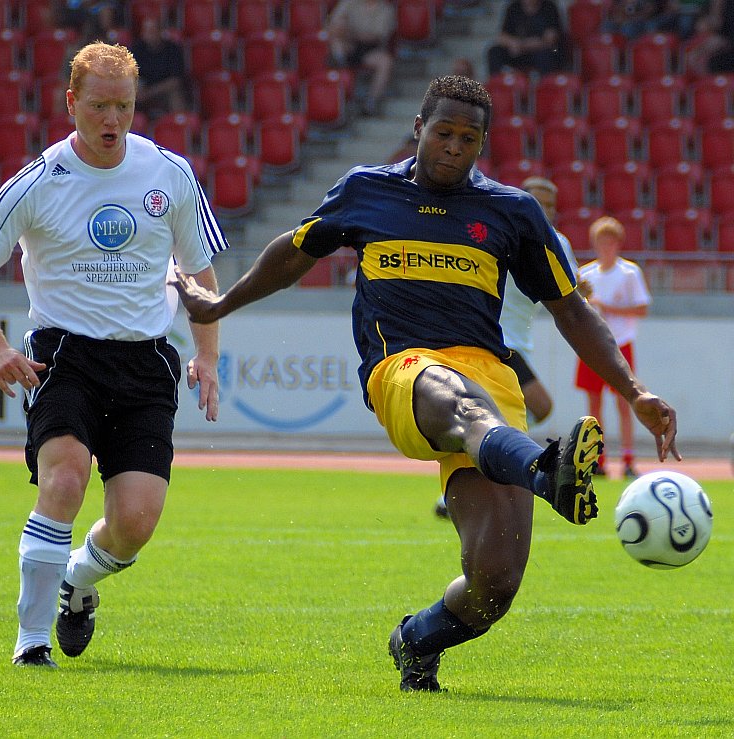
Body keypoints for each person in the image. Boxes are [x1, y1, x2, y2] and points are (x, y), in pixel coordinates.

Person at [169, 75, 680, 692]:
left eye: (469, 138)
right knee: (458, 401)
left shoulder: (512, 211)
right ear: (418, 128)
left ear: (483, 143)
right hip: (403, 368)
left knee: (495, 583)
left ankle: (416, 639)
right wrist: (219, 304)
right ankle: (546, 471)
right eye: (443, 132)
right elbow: (294, 253)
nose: (453, 147)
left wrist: (634, 390)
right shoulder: (366, 190)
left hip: (491, 375)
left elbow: (571, 309)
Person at [0, 42, 228, 668]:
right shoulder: (39, 180)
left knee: (135, 524)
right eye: (99, 106)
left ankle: (76, 581)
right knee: (65, 479)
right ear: (71, 102)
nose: (112, 120)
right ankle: (32, 640)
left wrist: (207, 354)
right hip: (65, 358)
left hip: (146, 363)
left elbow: (199, 270)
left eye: (123, 107)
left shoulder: (169, 174)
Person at [432, 175, 583, 518]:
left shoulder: (557, 242)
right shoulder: (504, 231)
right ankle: (484, 485)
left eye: (550, 205)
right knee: (536, 406)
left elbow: (570, 290)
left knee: (506, 419)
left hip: (518, 344)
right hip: (497, 341)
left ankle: (479, 482)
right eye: (538, 203)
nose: (544, 210)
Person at [574, 216, 651, 479]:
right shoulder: (587, 275)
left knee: (625, 402)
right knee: (594, 406)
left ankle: (628, 459)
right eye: (601, 242)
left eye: (610, 242)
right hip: (593, 344)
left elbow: (642, 308)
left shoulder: (629, 273)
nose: (606, 247)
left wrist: (608, 307)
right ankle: (598, 459)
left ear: (617, 244)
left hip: (620, 343)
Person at [326, 0, 397, 116]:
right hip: (347, 46)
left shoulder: (385, 9)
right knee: (337, 38)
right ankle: (339, 76)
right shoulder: (348, 3)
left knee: (385, 62)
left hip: (368, 49)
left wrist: (351, 34)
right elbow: (333, 26)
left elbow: (376, 36)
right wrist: (345, 32)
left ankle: (371, 102)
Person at [486, 0, 570, 76]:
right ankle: (497, 84)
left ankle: (546, 85)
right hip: (518, 52)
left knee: (547, 55)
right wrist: (512, 43)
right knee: (494, 52)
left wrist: (523, 45)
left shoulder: (549, 7)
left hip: (540, 51)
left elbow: (550, 40)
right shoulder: (513, 7)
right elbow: (502, 36)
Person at [130, 16, 190, 120]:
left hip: (164, 90)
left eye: (152, 31)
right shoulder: (137, 49)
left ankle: (179, 124)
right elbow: (130, 74)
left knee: (175, 95)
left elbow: (175, 81)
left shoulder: (173, 49)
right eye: (146, 31)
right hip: (142, 90)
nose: (148, 34)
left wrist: (150, 92)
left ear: (160, 31)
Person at [601, 0, 669, 39]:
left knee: (628, 28)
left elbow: (649, 11)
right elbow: (617, 10)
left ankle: (630, 53)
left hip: (644, 20)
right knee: (607, 25)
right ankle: (609, 52)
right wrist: (620, 18)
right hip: (626, 19)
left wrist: (630, 19)